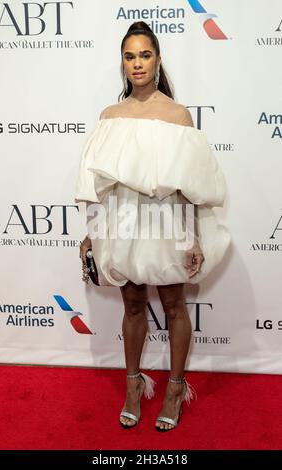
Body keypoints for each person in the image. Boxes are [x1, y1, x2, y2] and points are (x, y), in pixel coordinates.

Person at [75, 21, 230, 432]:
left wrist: (194, 236)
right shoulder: (110, 116)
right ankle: (133, 386)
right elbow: (98, 186)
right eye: (130, 56)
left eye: (145, 55)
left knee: (175, 306)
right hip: (122, 220)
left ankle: (175, 389)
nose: (137, 63)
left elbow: (193, 185)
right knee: (131, 305)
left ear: (158, 60)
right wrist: (93, 231)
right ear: (122, 64)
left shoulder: (176, 115)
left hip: (167, 221)